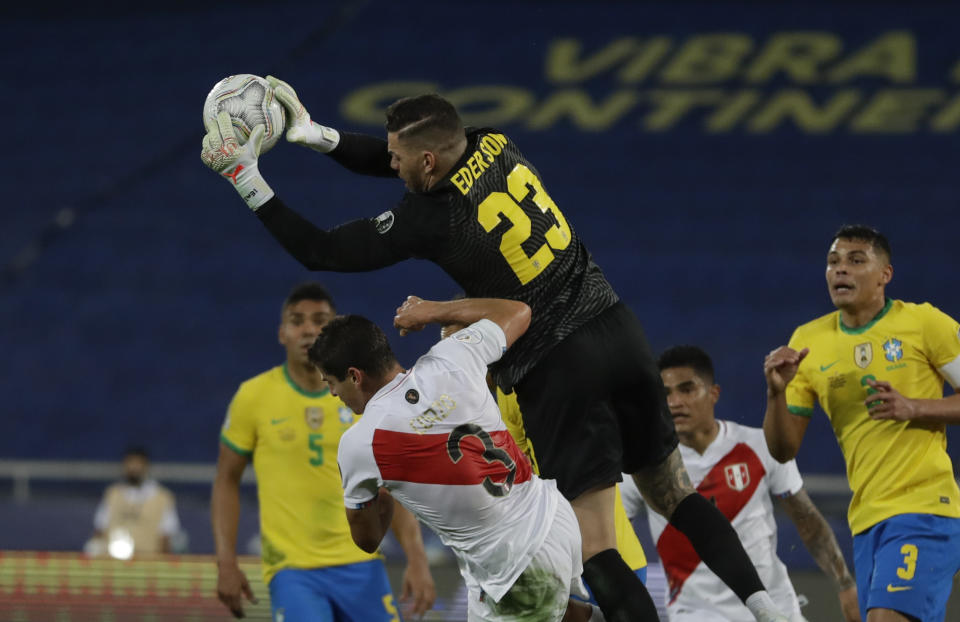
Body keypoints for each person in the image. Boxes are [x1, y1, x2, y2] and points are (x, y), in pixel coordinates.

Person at [201, 81, 788, 621]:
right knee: (674, 493)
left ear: (427, 162)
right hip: (618, 326)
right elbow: (401, 155)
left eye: (399, 159)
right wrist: (315, 136)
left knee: (595, 544)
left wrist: (246, 179)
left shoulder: (429, 218)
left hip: (559, 364)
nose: (393, 167)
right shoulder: (492, 142)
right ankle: (772, 611)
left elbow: (322, 250)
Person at [311, 295, 600, 622]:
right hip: (550, 519)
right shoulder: (453, 356)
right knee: (565, 614)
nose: (333, 394)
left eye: (331, 383)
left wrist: (381, 490)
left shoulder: (360, 443)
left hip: (515, 564)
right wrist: (432, 311)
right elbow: (518, 312)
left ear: (354, 376)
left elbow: (367, 539)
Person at [762, 225, 960, 622]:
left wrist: (915, 407)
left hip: (924, 508)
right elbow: (783, 450)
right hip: (867, 519)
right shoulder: (809, 342)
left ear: (885, 274)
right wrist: (776, 394)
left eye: (855, 261)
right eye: (833, 262)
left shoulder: (924, 323)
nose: (841, 271)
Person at [211, 282, 435, 621]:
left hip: (363, 564)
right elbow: (226, 480)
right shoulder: (252, 397)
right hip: (293, 570)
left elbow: (389, 483)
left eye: (319, 320)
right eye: (296, 320)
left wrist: (417, 558)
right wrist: (226, 561)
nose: (308, 329)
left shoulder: (364, 398)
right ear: (281, 332)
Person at [619, 345, 860, 622]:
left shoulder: (759, 445)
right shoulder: (644, 467)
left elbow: (807, 520)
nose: (675, 402)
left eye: (687, 389)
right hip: (696, 615)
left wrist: (845, 585)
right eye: (666, 394)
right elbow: (612, 537)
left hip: (775, 607)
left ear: (713, 394)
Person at [438, 321, 650, 597]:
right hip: (566, 563)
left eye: (463, 349)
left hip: (600, 561)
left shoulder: (535, 383)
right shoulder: (507, 390)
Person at [88, 446, 181, 558]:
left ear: (146, 466)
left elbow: (166, 536)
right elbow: (100, 529)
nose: (134, 468)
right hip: (113, 562)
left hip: (147, 562)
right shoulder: (113, 494)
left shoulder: (162, 497)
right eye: (130, 463)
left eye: (138, 464)